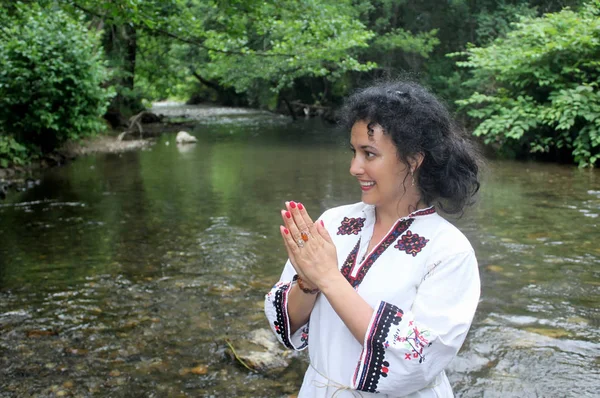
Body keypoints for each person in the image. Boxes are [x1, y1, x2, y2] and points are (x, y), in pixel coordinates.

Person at [264, 81, 482, 397]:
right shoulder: (334, 223)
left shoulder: (449, 250)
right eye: (354, 152)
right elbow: (287, 324)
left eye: (369, 153)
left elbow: (416, 360)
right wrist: (308, 283)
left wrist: (329, 278)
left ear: (413, 160)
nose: (354, 167)